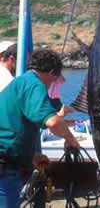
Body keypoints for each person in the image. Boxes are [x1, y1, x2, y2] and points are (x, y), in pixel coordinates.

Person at [0, 49, 79, 208]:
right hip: (5, 166)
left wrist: (31, 156)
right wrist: (71, 140)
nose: (53, 84)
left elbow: (13, 125)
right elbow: (52, 121)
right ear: (51, 72)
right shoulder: (34, 84)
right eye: (55, 79)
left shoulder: (20, 82)